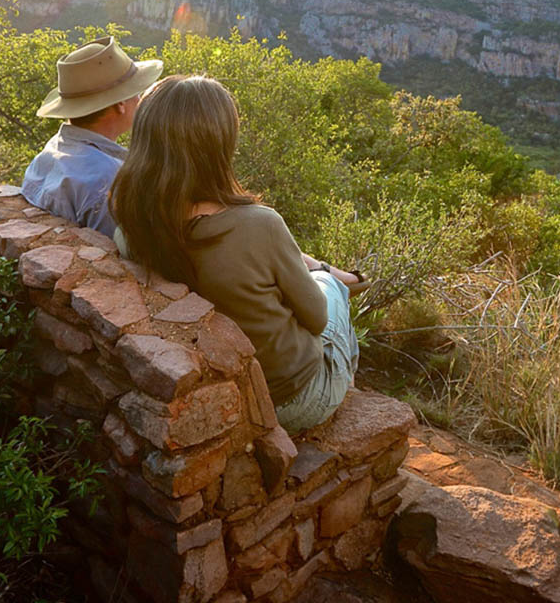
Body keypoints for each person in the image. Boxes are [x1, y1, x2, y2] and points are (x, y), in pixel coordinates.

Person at [112, 75, 361, 433]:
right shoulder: (259, 225)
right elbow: (317, 320)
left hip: (220, 393)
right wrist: (321, 276)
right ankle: (346, 385)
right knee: (330, 287)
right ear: (218, 143)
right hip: (292, 399)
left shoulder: (132, 223)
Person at [22, 36, 162, 236]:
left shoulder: (50, 152)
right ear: (120, 104)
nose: (139, 100)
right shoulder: (109, 179)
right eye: (136, 92)